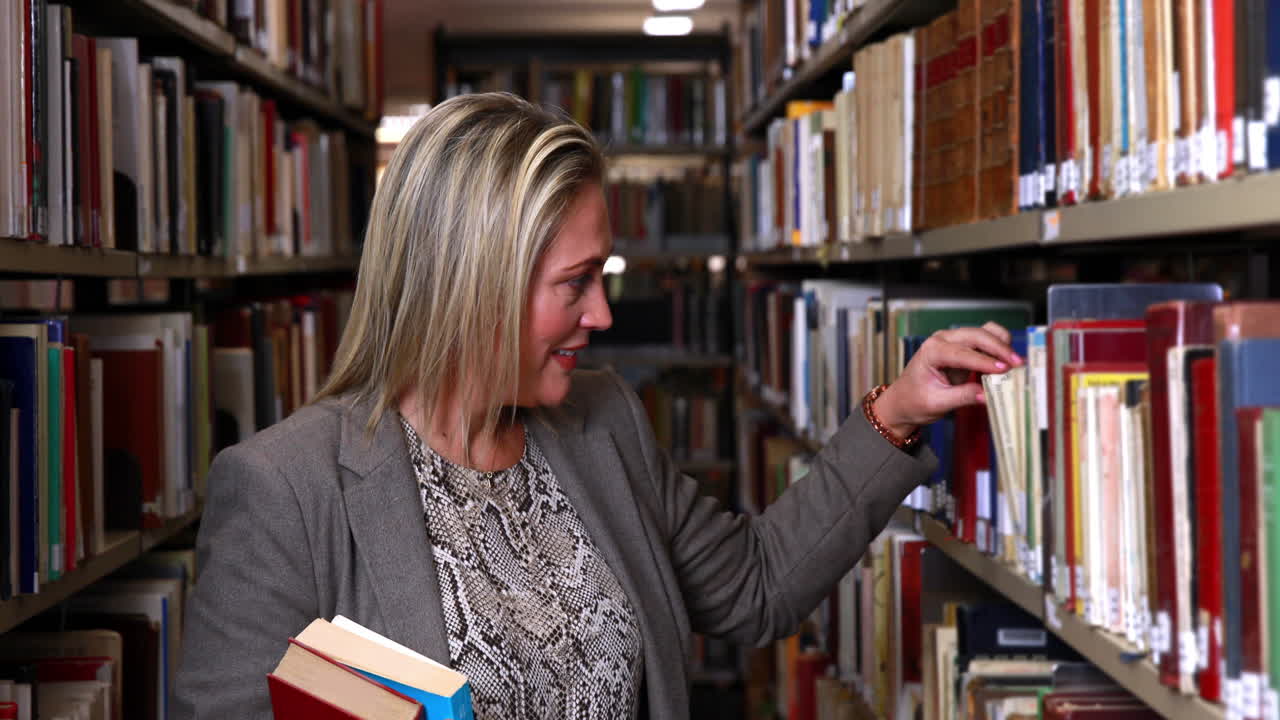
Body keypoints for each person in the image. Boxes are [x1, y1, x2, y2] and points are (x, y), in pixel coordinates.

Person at [172, 92, 1021, 720]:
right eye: (574, 285)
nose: (603, 317)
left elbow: (753, 588)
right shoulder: (285, 489)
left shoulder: (601, 421)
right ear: (472, 284)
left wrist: (898, 411)